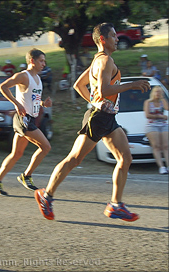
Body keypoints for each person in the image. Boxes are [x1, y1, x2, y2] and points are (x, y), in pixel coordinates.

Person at [34, 23, 150, 221]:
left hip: (107, 118)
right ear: (103, 39)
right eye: (113, 35)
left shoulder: (98, 60)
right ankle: (46, 196)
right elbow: (104, 90)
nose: (117, 38)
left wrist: (96, 102)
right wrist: (132, 85)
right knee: (74, 160)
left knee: (125, 158)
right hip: (98, 119)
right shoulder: (105, 60)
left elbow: (79, 85)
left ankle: (115, 205)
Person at [0, 48, 52, 196]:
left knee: (17, 153)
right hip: (24, 119)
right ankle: (26, 176)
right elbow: (2, 87)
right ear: (32, 61)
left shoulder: (38, 79)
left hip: (30, 118)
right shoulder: (23, 76)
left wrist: (43, 104)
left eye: (44, 61)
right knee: (46, 147)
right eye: (41, 60)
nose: (43, 63)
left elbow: (32, 99)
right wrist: (16, 104)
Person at [143, 86, 168, 174]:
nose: (158, 93)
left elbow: (167, 108)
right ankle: (161, 166)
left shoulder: (162, 102)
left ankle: (168, 165)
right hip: (152, 125)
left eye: (160, 92)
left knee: (166, 146)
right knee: (156, 146)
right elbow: (147, 115)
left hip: (163, 125)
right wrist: (160, 116)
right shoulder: (148, 102)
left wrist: (163, 98)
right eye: (156, 92)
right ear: (153, 93)